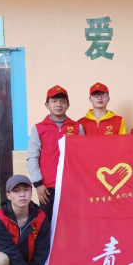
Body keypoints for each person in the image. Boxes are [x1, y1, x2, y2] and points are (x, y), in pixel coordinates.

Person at [26, 85, 83, 221]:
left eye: (63, 101)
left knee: (71, 222)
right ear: (47, 105)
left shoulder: (77, 127)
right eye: (54, 101)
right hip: (47, 187)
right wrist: (38, 184)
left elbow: (82, 157)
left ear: (68, 105)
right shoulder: (39, 128)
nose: (58, 105)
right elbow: (32, 157)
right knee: (46, 223)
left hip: (71, 185)